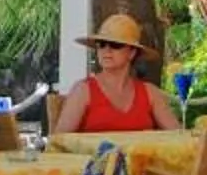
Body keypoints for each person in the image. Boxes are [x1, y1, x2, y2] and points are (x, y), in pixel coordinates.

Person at [53, 13, 184, 134]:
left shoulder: (150, 93)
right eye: (101, 44)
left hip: (138, 158)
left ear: (132, 53)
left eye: (115, 45)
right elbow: (58, 143)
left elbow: (178, 136)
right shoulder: (83, 91)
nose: (107, 50)